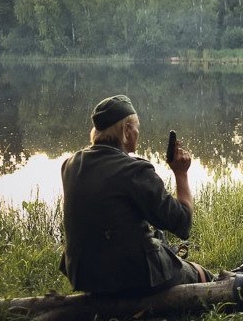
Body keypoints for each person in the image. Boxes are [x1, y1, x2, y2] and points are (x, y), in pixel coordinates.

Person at [59, 94, 215, 296]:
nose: (137, 133)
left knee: (157, 237)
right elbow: (182, 223)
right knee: (198, 274)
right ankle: (229, 289)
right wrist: (181, 173)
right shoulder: (134, 170)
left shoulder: (70, 164)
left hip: (85, 276)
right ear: (126, 130)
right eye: (136, 128)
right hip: (129, 276)